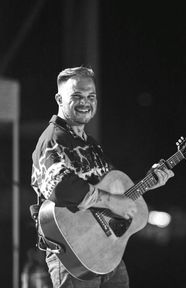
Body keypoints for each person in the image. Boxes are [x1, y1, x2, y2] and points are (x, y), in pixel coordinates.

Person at [31, 66, 174, 288]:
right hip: (73, 257)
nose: (85, 102)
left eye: (91, 96)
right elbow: (61, 187)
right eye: (76, 96)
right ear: (59, 98)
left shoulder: (91, 144)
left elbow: (115, 188)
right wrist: (111, 201)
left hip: (106, 253)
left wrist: (149, 182)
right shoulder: (53, 139)